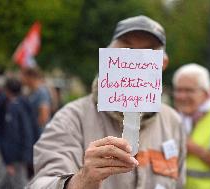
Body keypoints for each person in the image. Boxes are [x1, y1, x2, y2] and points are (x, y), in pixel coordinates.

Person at [27, 15, 186, 189]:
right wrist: (82, 180)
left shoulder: (172, 122)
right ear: (109, 58)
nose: (136, 59)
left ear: (162, 63)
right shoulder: (71, 118)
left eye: (149, 51)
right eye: (127, 49)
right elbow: (40, 184)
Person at [0, 77, 34, 189]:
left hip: (17, 156)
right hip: (22, 153)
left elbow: (13, 134)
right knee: (8, 182)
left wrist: (10, 159)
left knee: (19, 183)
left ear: (7, 90)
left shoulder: (14, 107)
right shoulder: (24, 102)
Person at [21, 67, 52, 138]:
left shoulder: (41, 92)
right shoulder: (32, 92)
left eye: (23, 76)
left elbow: (44, 118)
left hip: (39, 136)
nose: (22, 79)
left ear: (30, 77)